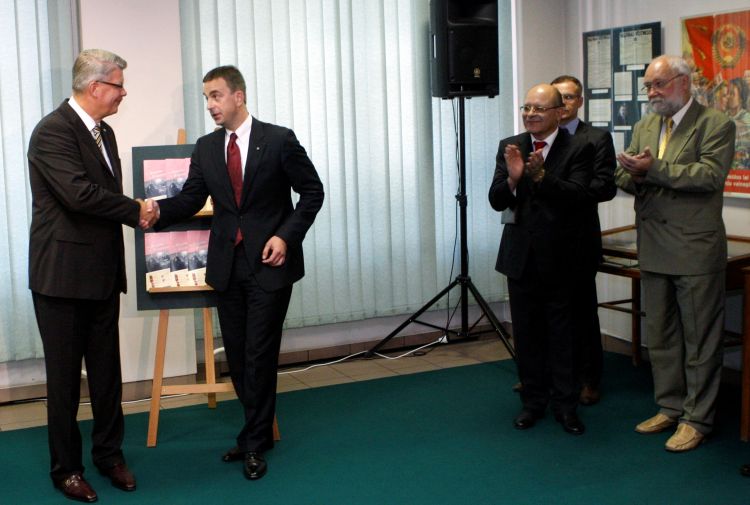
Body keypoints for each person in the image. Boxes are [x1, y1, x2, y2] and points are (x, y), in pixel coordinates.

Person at [148, 65, 324, 480]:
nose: (210, 105)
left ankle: (254, 443)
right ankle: (255, 433)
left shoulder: (278, 140)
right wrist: (153, 211)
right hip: (227, 267)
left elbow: (312, 192)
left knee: (259, 355)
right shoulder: (207, 148)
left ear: (238, 96)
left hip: (270, 264)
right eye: (206, 98)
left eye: (216, 95)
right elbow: (191, 199)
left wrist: (285, 237)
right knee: (240, 356)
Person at [27, 49, 151, 502]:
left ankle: (109, 455)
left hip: (101, 273)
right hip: (61, 278)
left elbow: (102, 195)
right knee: (64, 381)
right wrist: (137, 210)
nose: (124, 93)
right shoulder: (52, 131)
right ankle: (66, 470)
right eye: (118, 85)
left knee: (106, 374)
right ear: (96, 87)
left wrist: (133, 210)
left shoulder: (106, 132)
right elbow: (79, 195)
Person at [615, 55, 735, 452]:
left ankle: (697, 419)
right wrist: (633, 172)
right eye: (648, 85)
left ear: (684, 83)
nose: (651, 92)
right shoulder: (645, 125)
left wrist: (652, 169)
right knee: (661, 335)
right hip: (653, 245)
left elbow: (709, 176)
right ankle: (669, 406)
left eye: (659, 84)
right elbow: (623, 176)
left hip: (694, 249)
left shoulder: (715, 123)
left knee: (700, 340)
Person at [489, 83, 594, 436]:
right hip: (520, 258)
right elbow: (496, 199)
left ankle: (566, 406)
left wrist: (541, 177)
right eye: (526, 108)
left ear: (559, 113)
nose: (530, 114)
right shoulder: (511, 146)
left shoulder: (578, 147)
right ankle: (532, 403)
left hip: (562, 258)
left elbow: (578, 195)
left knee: (562, 336)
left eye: (539, 108)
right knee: (527, 335)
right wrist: (514, 179)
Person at [551, 75, 617, 406]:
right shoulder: (540, 137)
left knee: (582, 313)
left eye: (569, 97)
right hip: (543, 239)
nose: (563, 104)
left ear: (580, 101)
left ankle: (589, 379)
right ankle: (549, 375)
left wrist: (565, 191)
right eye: (557, 97)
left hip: (578, 239)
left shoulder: (596, 138)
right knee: (549, 313)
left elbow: (605, 186)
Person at [726, 78, 750, 170]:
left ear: (741, 98)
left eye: (732, 93)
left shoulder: (747, 120)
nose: (728, 96)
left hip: (742, 172)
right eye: (728, 93)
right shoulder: (722, 118)